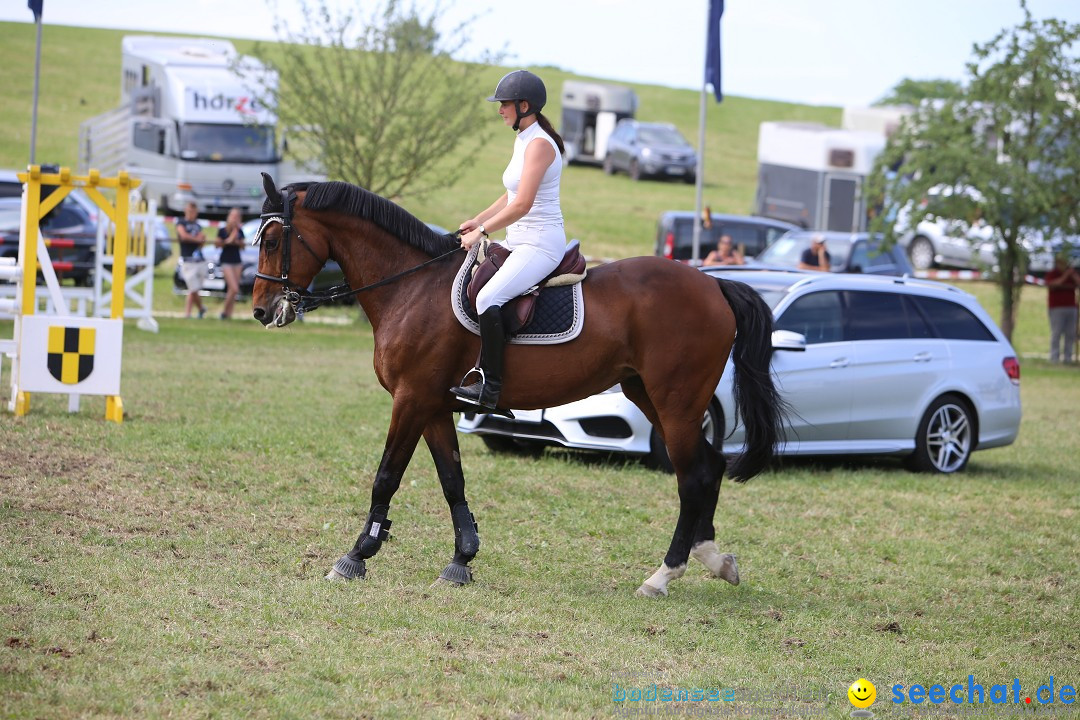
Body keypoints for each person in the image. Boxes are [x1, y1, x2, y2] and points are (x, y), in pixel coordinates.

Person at [450, 70, 567, 412]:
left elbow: (523, 204)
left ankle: (492, 387)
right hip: (518, 239)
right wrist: (479, 219)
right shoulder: (524, 139)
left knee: (488, 298)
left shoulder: (541, 144)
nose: (500, 110)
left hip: (540, 243)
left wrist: (483, 233)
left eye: (504, 104)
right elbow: (509, 194)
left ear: (524, 105)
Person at [1045, 254, 1080, 364]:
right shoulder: (1052, 274)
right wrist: (1065, 275)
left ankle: (1068, 358)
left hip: (1071, 308)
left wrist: (1072, 275)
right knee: (1056, 333)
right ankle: (1054, 358)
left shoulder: (1072, 274)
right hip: (1056, 308)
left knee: (1070, 334)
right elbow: (1053, 284)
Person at [176, 201, 208, 318]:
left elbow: (201, 241)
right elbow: (183, 236)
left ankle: (188, 314)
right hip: (187, 260)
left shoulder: (198, 225)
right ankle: (201, 308)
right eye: (189, 211)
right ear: (185, 211)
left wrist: (201, 241)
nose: (191, 214)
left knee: (192, 289)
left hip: (199, 260)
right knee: (193, 288)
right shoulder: (181, 222)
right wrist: (197, 239)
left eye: (193, 211)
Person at [216, 207, 245, 319]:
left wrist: (236, 239)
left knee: (232, 290)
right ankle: (224, 312)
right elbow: (219, 244)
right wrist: (232, 236)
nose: (235, 219)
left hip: (237, 261)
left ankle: (229, 314)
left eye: (237, 217)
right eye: (233, 216)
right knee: (234, 288)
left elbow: (242, 246)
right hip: (226, 260)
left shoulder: (240, 231)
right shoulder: (223, 230)